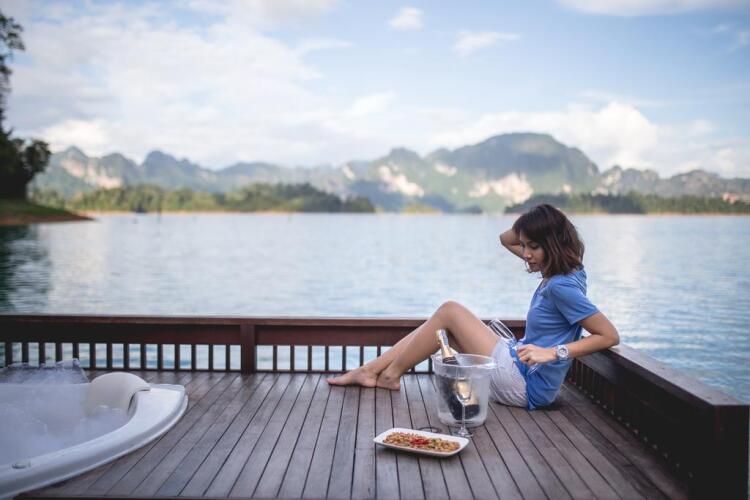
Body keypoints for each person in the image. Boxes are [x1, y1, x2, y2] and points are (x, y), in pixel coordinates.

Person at [327, 203, 619, 410]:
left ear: (552, 244)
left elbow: (608, 336)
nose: (526, 254)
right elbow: (505, 239)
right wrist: (536, 219)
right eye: (525, 245)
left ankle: (388, 375)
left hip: (526, 384)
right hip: (518, 362)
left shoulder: (560, 286)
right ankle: (371, 371)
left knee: (449, 311)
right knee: (444, 326)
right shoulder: (566, 270)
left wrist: (552, 352)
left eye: (533, 247)